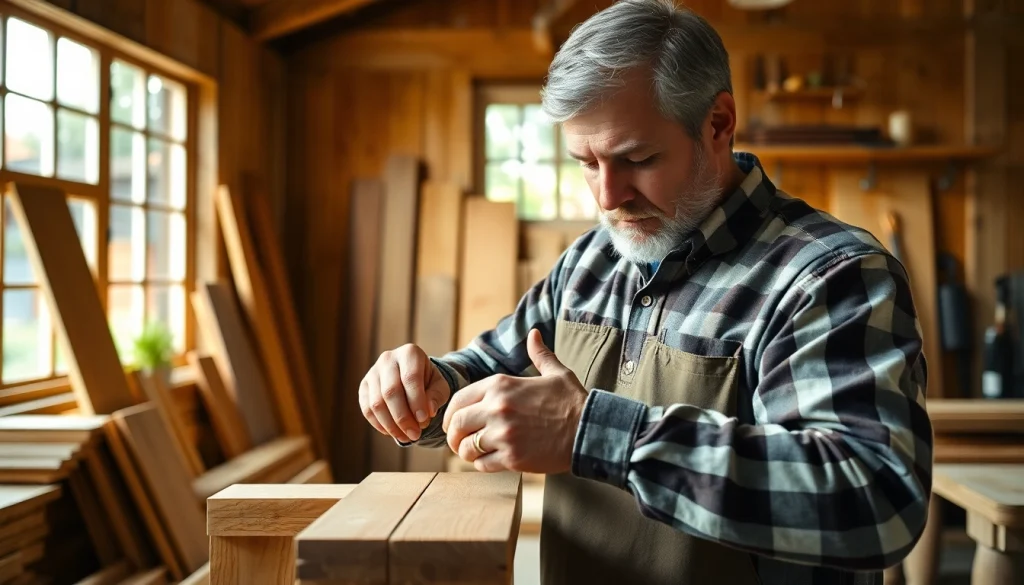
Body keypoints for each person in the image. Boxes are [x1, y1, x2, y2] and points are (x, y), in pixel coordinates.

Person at [358, 1, 933, 583]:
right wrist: (427, 388)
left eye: (637, 159)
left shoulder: (828, 275)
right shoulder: (590, 262)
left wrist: (592, 433)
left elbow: (873, 500)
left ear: (718, 124)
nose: (608, 197)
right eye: (585, 162)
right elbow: (490, 370)